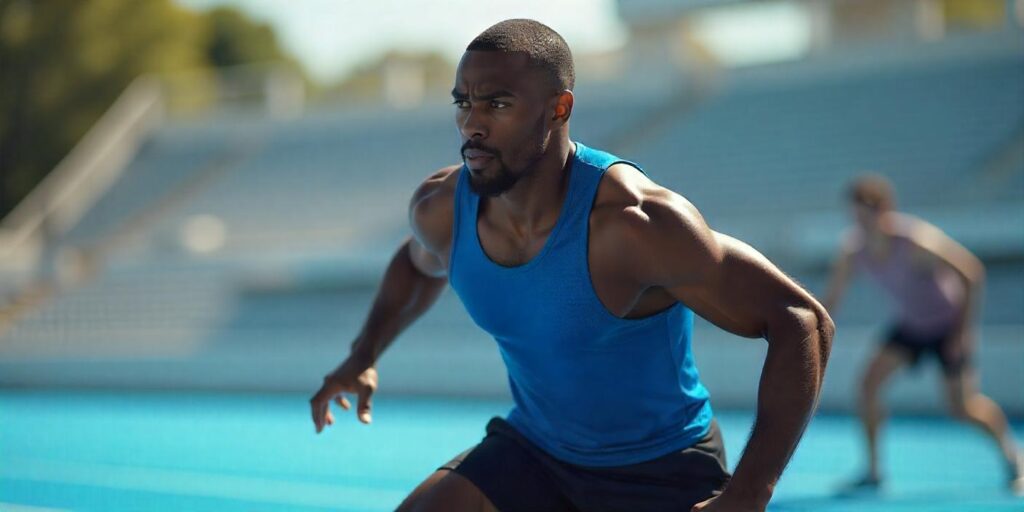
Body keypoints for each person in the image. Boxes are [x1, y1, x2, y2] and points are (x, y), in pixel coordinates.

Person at [310, 19, 834, 512]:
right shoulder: (442, 209)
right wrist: (363, 353)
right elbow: (415, 264)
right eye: (462, 102)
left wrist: (750, 491)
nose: (472, 124)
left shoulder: (635, 224)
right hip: (535, 452)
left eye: (497, 103)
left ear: (559, 108)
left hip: (661, 467)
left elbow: (801, 321)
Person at [823, 174, 1023, 494]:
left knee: (963, 407)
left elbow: (972, 273)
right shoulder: (853, 251)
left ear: (885, 209)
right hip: (911, 326)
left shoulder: (915, 240)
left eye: (867, 215)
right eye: (856, 217)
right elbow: (832, 299)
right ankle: (873, 472)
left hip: (947, 325)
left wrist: (963, 333)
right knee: (867, 387)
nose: (862, 224)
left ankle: (1014, 458)